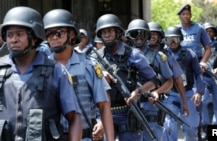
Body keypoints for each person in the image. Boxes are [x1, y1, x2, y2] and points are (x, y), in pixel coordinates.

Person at [0, 6, 82, 141]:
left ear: (35, 37)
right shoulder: (1, 70)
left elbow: (74, 117)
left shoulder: (55, 71)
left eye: (19, 34)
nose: (13, 40)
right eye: (9, 35)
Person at [43, 9, 114, 141]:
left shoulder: (89, 66)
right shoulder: (43, 68)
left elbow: (104, 107)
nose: (53, 37)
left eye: (59, 33)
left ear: (71, 34)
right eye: (49, 34)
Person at [95, 14, 157, 141]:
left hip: (127, 112)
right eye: (103, 32)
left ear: (118, 32)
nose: (106, 35)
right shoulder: (95, 57)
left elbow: (154, 81)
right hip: (104, 112)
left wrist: (138, 92)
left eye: (110, 31)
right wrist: (101, 76)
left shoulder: (134, 55)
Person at [126, 19, 173, 141]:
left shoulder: (158, 56)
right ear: (129, 37)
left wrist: (157, 92)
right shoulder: (123, 56)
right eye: (135, 34)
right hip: (130, 106)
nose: (139, 38)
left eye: (143, 34)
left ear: (147, 36)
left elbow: (170, 81)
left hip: (151, 106)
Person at [164, 26, 205, 141]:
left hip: (188, 94)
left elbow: (198, 73)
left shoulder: (189, 53)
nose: (172, 43)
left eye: (175, 39)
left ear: (180, 39)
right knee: (168, 126)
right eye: (169, 40)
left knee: (191, 128)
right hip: (170, 94)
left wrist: (199, 92)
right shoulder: (162, 55)